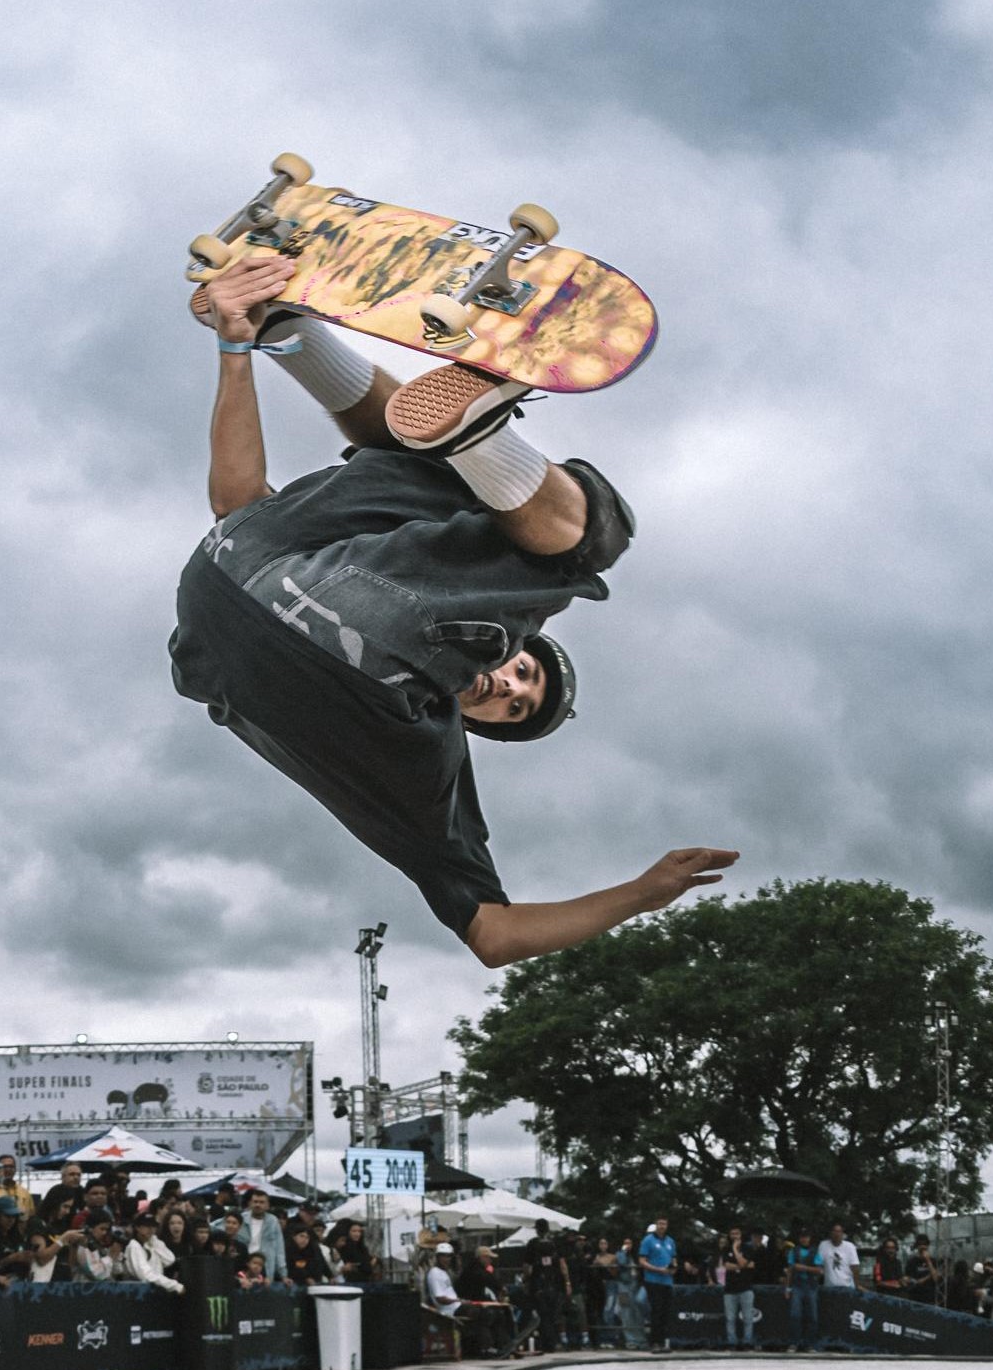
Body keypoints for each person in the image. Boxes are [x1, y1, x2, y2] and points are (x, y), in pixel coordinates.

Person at [173, 250, 738, 965]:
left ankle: (472, 437)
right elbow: (236, 510)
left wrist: (642, 893)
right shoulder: (419, 570)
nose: (506, 685)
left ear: (475, 726)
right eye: (525, 671)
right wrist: (233, 350)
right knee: (432, 469)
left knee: (590, 544)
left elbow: (492, 933)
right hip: (231, 572)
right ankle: (283, 329)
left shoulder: (432, 769)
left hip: (266, 624)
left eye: (513, 708)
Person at [637, 1216, 677, 1351]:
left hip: (667, 1281)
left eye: (664, 1224)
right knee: (656, 1311)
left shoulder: (670, 1241)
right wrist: (658, 1269)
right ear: (656, 1225)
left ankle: (665, 1342)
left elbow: (673, 1258)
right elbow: (642, 1261)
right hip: (653, 1280)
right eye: (660, 1223)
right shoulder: (648, 1240)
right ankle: (655, 1342)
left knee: (666, 1312)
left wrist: (673, 1268)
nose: (662, 1226)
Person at [119, 1215, 185, 1295]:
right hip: (135, 1293)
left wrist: (154, 1241)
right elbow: (145, 1275)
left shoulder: (151, 1243)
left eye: (153, 1226)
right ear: (137, 1228)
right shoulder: (134, 1246)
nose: (151, 1229)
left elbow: (170, 1260)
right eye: (146, 1226)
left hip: (152, 1292)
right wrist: (174, 1285)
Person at [719, 1227, 756, 1350]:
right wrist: (742, 1265)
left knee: (748, 1317)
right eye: (732, 1233)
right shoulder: (725, 1249)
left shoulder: (748, 1248)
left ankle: (747, 1342)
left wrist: (735, 1250)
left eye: (737, 1233)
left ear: (741, 1235)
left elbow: (748, 1264)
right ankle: (732, 1342)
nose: (735, 1236)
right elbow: (727, 1265)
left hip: (746, 1287)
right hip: (730, 1289)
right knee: (730, 1318)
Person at [787, 1228, 823, 1352]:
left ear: (809, 1238)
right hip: (797, 1285)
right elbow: (790, 1271)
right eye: (802, 1237)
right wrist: (788, 1288)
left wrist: (803, 1268)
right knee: (795, 1315)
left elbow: (819, 1270)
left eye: (806, 1237)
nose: (804, 1239)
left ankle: (810, 1344)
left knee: (812, 1316)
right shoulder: (793, 1251)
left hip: (811, 1286)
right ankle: (794, 1343)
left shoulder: (815, 1252)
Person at [239, 1190, 285, 1282]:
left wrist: (283, 1274)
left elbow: (279, 1249)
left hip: (265, 1267)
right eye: (255, 1202)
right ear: (250, 1203)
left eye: (261, 1202)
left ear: (268, 1205)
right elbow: (217, 1225)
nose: (258, 1205)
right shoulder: (241, 1218)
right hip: (243, 1265)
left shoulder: (273, 1221)